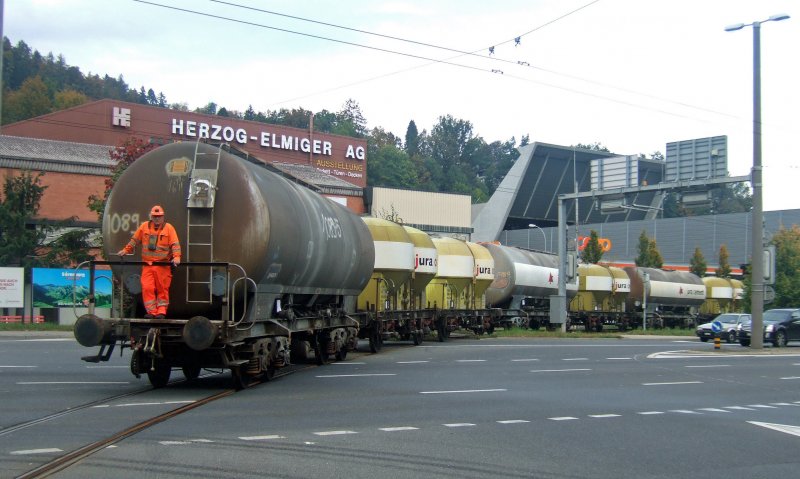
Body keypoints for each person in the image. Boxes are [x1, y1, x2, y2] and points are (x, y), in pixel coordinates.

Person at [118, 205, 182, 319]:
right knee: (147, 288)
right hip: (147, 265)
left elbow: (175, 244)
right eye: (155, 216)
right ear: (151, 216)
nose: (157, 219)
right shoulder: (144, 227)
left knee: (162, 289)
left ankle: (161, 311)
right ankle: (151, 311)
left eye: (159, 216)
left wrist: (177, 257)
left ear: (163, 217)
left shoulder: (169, 228)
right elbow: (135, 240)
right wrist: (126, 250)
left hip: (163, 265)